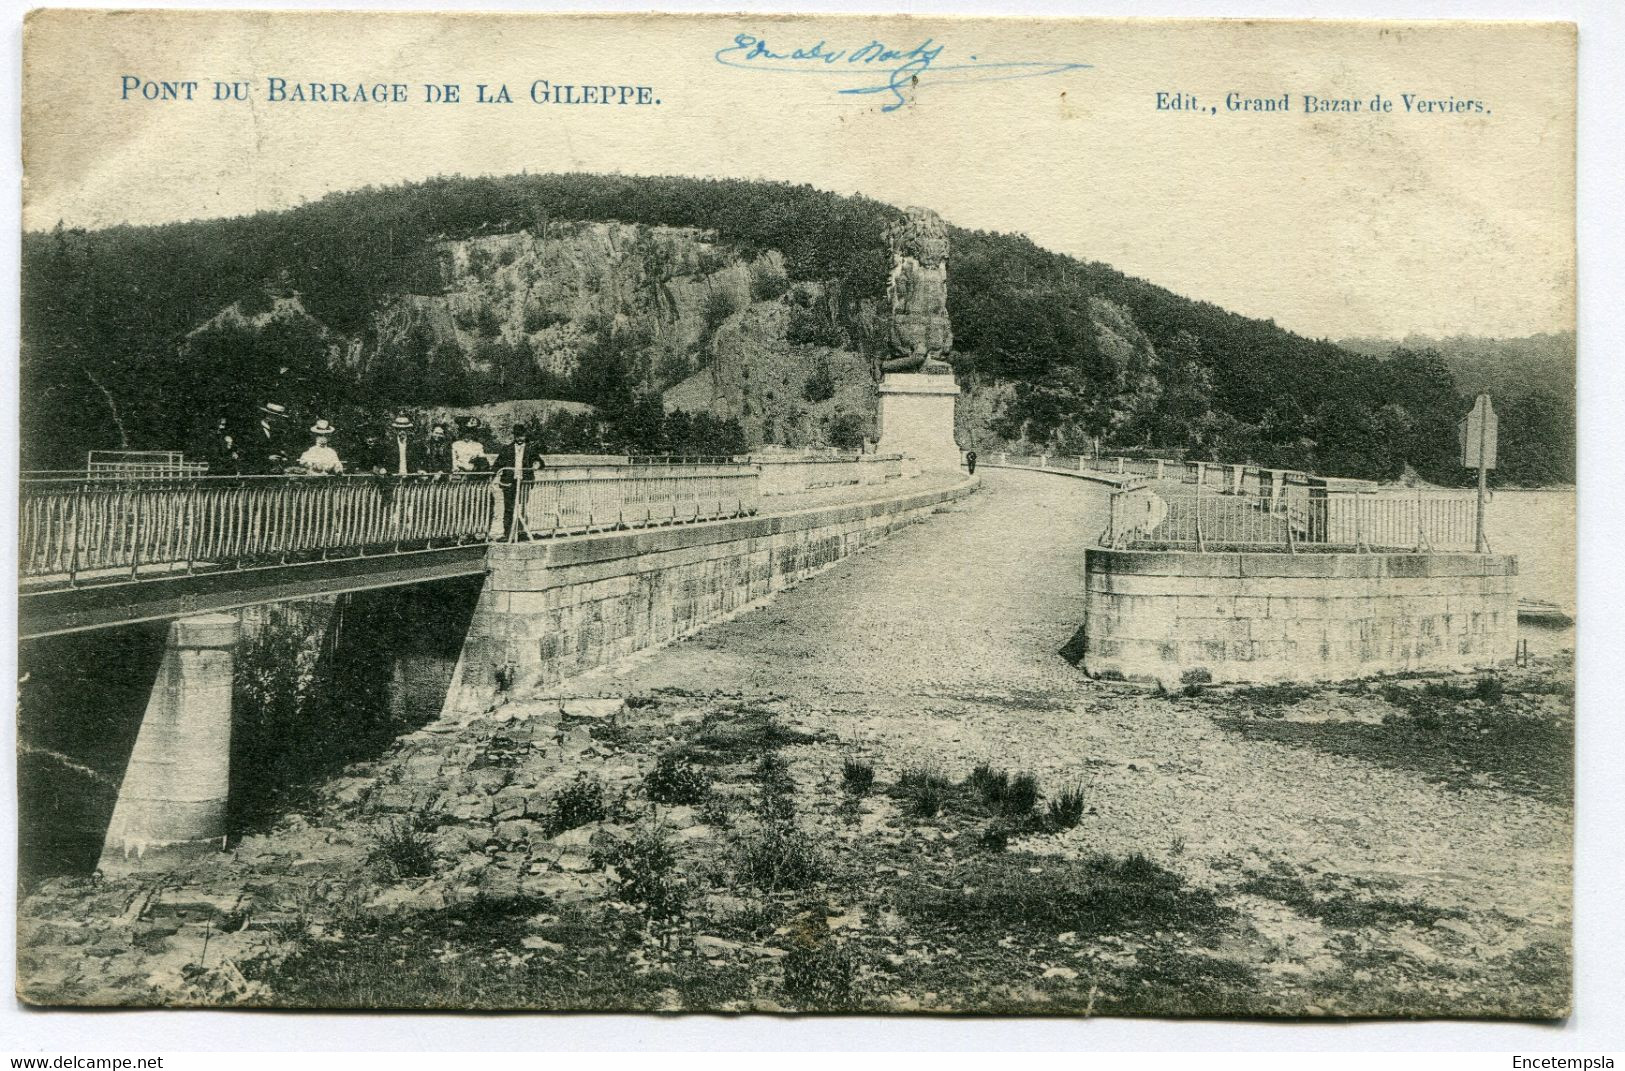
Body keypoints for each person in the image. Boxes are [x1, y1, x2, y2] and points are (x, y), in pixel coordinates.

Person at [494, 422, 545, 539]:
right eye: (517, 436)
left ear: (525, 436)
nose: (520, 438)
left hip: (524, 482)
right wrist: (496, 474)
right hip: (509, 482)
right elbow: (497, 465)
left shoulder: (531, 449)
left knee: (522, 508)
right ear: (514, 436)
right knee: (508, 508)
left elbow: (540, 462)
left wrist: (537, 464)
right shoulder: (506, 449)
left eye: (522, 436)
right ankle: (508, 534)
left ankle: (520, 532)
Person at [246, 401, 297, 475]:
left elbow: (278, 448)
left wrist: (283, 456)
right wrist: (266, 458)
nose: (278, 419)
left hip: (273, 470)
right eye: (276, 416)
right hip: (255, 471)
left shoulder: (277, 431)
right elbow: (249, 451)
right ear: (268, 415)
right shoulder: (253, 430)